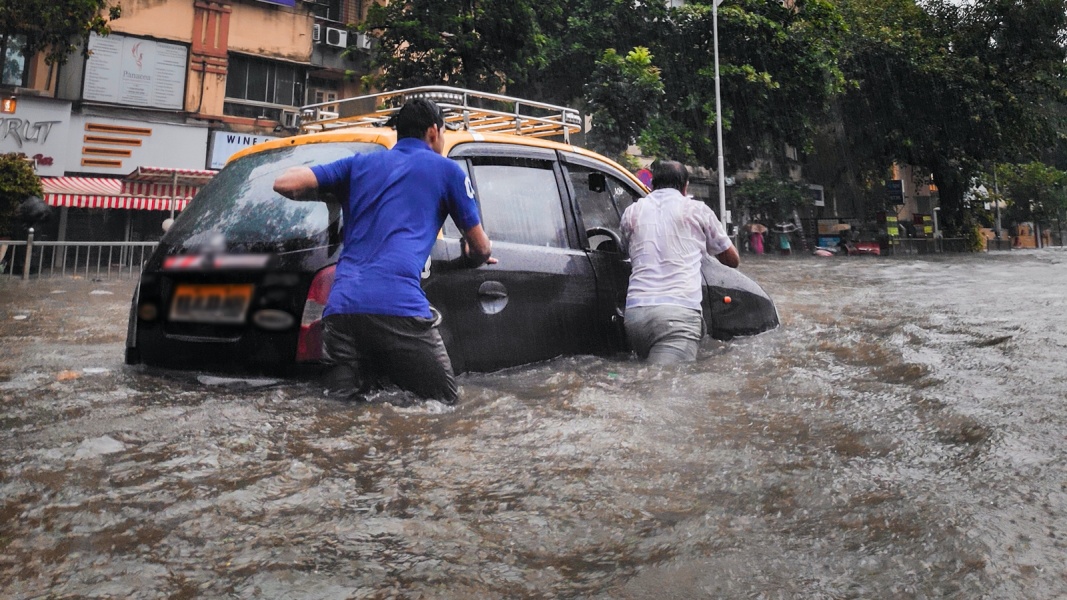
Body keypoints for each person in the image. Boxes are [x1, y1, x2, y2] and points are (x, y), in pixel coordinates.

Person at [273, 98, 495, 404]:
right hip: (399, 307)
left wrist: (330, 194)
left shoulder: (358, 165)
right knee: (445, 406)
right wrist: (474, 256)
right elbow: (481, 247)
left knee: (340, 410)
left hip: (341, 311)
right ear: (434, 132)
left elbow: (284, 183)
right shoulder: (448, 171)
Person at [620, 160, 739, 364]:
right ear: (685, 186)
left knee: (647, 381)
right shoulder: (696, 210)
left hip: (635, 316)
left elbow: (625, 250)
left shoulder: (632, 212)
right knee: (666, 388)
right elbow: (731, 259)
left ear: (653, 184)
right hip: (677, 317)